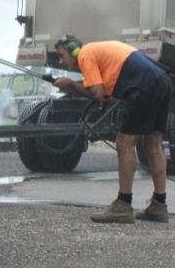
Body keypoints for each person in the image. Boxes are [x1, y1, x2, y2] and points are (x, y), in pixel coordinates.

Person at [53, 35, 172, 224]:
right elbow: (109, 96)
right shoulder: (96, 52)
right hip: (162, 80)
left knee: (124, 143)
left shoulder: (85, 54)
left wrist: (72, 85)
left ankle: (123, 205)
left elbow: (97, 94)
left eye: (61, 55)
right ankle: (159, 205)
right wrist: (81, 87)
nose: (61, 61)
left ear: (74, 50)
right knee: (153, 144)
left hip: (146, 85)